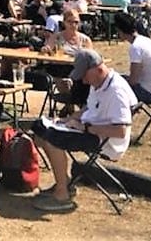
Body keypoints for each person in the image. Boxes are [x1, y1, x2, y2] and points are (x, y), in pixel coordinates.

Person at [32, 49, 138, 213]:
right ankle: (65, 182)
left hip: (105, 141)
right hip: (91, 130)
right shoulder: (99, 83)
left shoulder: (116, 91)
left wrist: (85, 127)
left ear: (99, 69)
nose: (83, 80)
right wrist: (67, 120)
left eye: (85, 75)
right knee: (40, 130)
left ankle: (62, 195)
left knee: (52, 140)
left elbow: (121, 131)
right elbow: (89, 107)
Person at [112, 12, 151, 104]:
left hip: (150, 92)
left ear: (120, 30)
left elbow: (133, 80)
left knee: (113, 85)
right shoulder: (145, 40)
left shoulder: (135, 47)